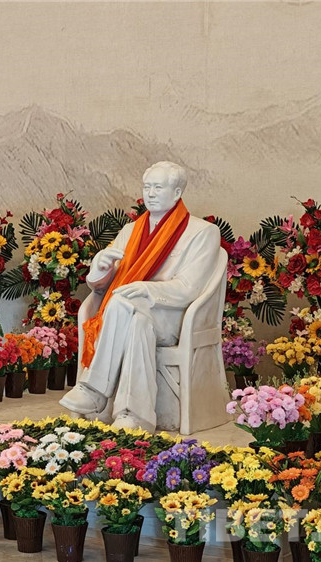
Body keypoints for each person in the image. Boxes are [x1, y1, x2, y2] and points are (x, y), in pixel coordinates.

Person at [59, 161, 221, 432]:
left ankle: (94, 390)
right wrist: (100, 268)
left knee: (124, 305)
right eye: (147, 187)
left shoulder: (202, 232)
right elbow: (101, 286)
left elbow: (189, 288)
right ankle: (132, 417)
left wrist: (148, 289)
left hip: (175, 315)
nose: (151, 193)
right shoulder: (130, 231)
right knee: (136, 321)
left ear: (177, 192)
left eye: (158, 187)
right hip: (130, 313)